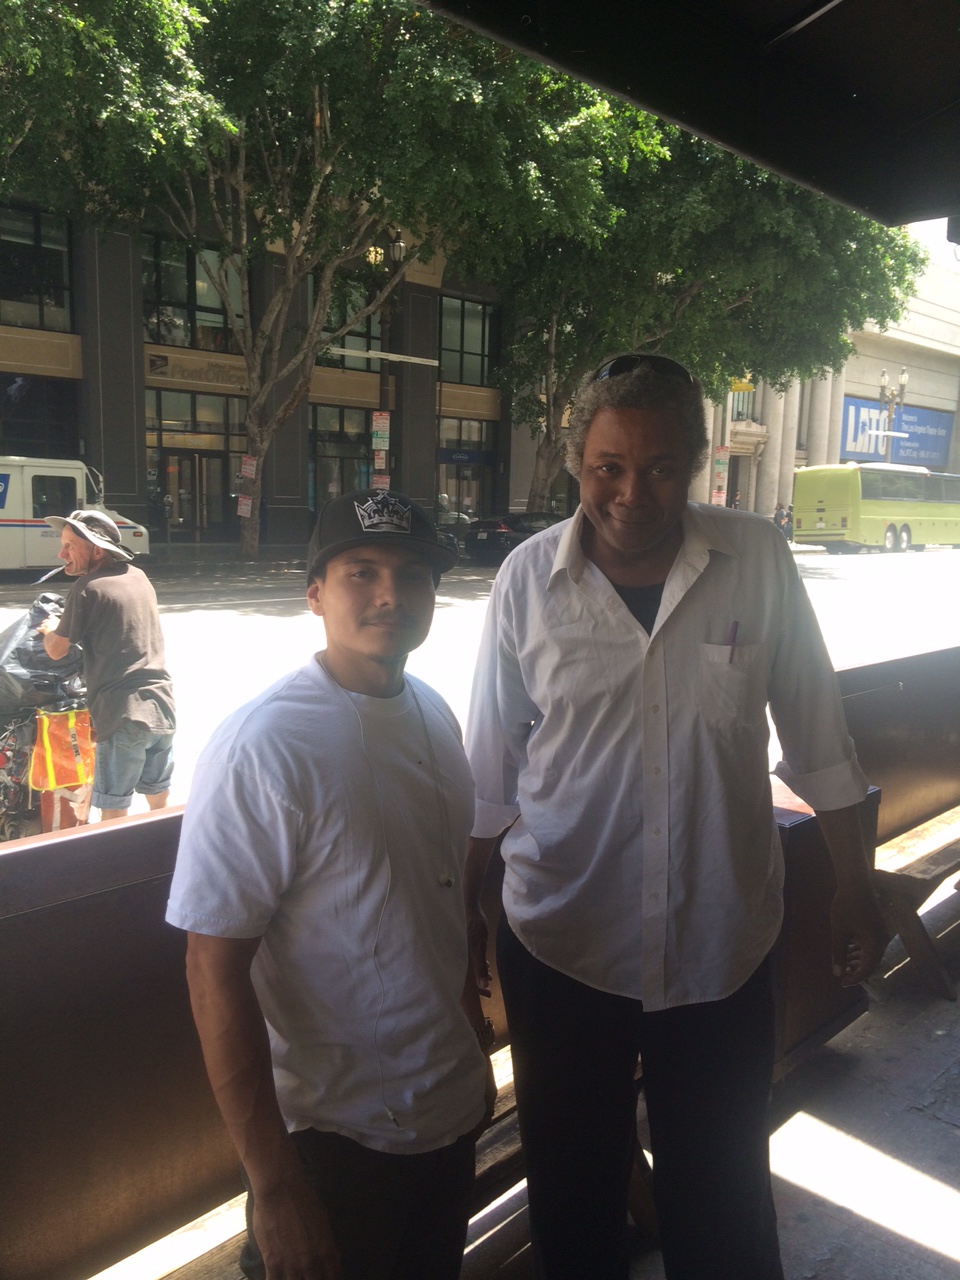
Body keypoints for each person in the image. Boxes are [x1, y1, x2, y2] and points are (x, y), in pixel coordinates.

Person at [463, 355, 889, 1280]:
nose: (631, 491)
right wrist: (467, 927)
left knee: (725, 1194)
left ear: (698, 462)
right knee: (573, 1197)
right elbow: (489, 779)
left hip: (719, 942)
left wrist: (857, 885)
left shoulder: (758, 562)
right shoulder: (525, 582)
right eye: (607, 466)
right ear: (576, 462)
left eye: (660, 466)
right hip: (562, 944)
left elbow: (818, 739)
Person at [166, 489, 495, 1280]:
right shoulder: (264, 745)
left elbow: (442, 904)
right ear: (315, 593)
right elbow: (211, 971)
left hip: (446, 1118)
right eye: (361, 571)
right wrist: (273, 1186)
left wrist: (470, 1041)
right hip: (333, 1145)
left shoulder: (435, 714)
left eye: (413, 574)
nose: (390, 594)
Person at [37, 509, 175, 821]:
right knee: (159, 800)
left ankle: (119, 869)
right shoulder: (137, 576)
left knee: (113, 810)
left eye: (71, 546)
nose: (61, 554)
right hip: (162, 707)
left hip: (122, 714)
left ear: (97, 550)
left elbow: (57, 650)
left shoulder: (88, 588)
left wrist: (50, 629)